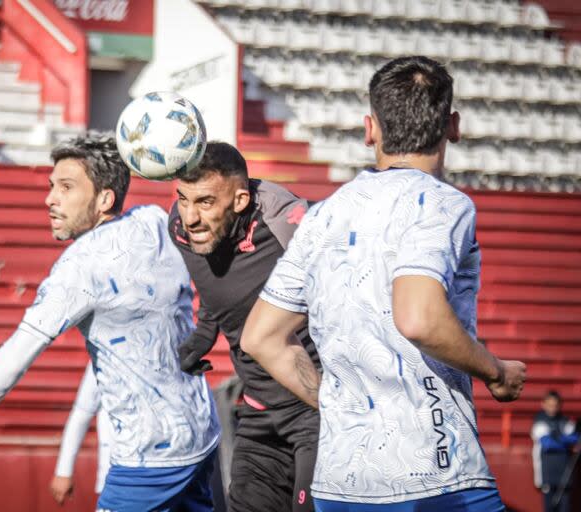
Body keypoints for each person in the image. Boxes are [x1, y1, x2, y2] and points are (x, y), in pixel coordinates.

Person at [241, 56, 527, 511]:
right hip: (435, 474)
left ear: (369, 128)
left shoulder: (324, 215)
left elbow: (261, 337)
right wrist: (496, 371)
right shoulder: (442, 204)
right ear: (452, 125)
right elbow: (418, 318)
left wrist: (337, 406)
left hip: (340, 480)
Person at [0, 134, 221, 512]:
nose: (50, 199)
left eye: (66, 187)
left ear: (105, 199)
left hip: (149, 458)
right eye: (51, 186)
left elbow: (16, 355)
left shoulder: (78, 267)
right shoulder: (154, 219)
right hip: (203, 434)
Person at [169, 141, 320, 511]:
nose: (189, 216)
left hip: (317, 413)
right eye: (183, 199)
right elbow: (218, 287)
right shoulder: (181, 228)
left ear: (239, 201)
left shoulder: (288, 221)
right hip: (258, 414)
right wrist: (204, 333)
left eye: (204, 202)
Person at [50, 361, 112, 505]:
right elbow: (82, 411)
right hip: (117, 472)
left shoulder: (170, 345)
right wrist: (64, 471)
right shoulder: (105, 353)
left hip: (168, 471)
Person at [531, 390, 579, 512]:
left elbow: (575, 438)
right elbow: (548, 444)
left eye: (555, 405)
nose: (553, 408)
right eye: (550, 405)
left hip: (564, 472)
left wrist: (559, 438)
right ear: (543, 404)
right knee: (549, 507)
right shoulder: (539, 421)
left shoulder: (564, 421)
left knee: (565, 507)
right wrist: (565, 442)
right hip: (547, 473)